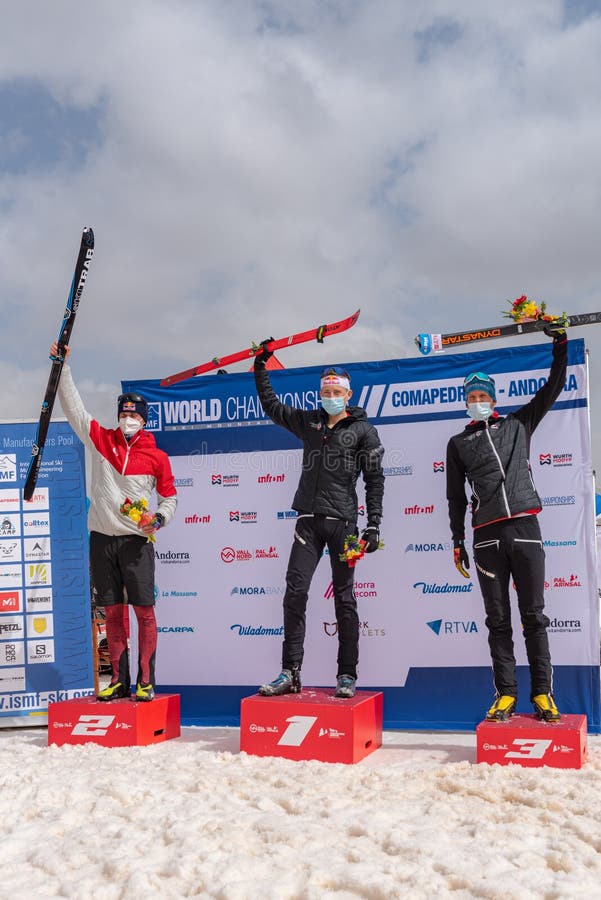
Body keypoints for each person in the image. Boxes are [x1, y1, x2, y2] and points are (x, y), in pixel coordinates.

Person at [445, 323, 568, 722]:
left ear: (493, 399)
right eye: (472, 397)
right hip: (485, 538)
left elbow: (552, 387)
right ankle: (506, 695)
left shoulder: (518, 424)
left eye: (483, 396)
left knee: (533, 615)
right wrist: (456, 540)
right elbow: (454, 497)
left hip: (525, 529)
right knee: (497, 620)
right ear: (466, 402)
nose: (477, 401)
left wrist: (560, 344)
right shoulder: (458, 443)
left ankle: (544, 694)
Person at [254, 347, 385, 698]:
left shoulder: (363, 430)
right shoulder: (309, 422)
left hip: (343, 524)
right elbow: (272, 406)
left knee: (344, 598)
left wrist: (374, 525)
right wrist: (260, 366)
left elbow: (375, 480)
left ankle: (346, 674)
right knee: (295, 592)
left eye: (336, 392)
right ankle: (290, 671)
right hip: (308, 523)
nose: (330, 397)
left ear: (348, 394)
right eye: (325, 392)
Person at [52, 343, 177, 702]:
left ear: (144, 419)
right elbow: (74, 408)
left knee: (144, 613)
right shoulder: (101, 440)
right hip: (102, 539)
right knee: (112, 612)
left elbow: (170, 497)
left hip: (137, 542)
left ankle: (146, 680)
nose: (127, 418)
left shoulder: (156, 457)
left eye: (134, 414)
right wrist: (64, 368)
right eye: (123, 412)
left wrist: (160, 517)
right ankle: (120, 680)